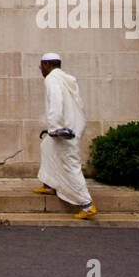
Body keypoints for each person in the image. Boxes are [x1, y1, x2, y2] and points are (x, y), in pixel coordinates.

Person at [35, 52, 97, 219]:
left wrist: (55, 128)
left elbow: (56, 102)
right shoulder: (65, 79)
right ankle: (49, 184)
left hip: (65, 130)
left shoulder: (52, 80)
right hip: (74, 126)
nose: (40, 69)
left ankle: (86, 204)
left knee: (70, 163)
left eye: (41, 66)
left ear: (47, 65)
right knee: (46, 146)